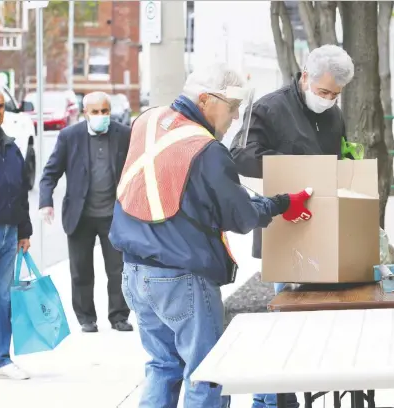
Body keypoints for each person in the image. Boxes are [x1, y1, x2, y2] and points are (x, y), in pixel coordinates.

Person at [108, 63, 314, 408]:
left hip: (133, 271)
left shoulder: (147, 122)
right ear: (205, 100)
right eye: (232, 108)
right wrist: (282, 204)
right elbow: (241, 215)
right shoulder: (205, 148)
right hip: (181, 275)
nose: (235, 118)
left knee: (162, 366)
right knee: (208, 373)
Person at [230, 44, 355, 408]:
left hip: (325, 229)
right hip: (285, 227)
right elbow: (241, 157)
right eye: (324, 92)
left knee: (320, 324)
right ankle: (270, 400)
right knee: (283, 321)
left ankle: (305, 389)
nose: (329, 100)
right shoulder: (269, 108)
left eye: (335, 95)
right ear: (305, 77)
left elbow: (339, 156)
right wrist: (298, 165)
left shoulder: (333, 115)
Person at [39, 91, 132, 333]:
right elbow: (51, 172)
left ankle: (119, 316)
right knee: (80, 270)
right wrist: (45, 201)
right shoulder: (70, 136)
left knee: (118, 270)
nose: (101, 116)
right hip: (80, 215)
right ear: (85, 113)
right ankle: (86, 318)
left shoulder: (123, 134)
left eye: (105, 111)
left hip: (114, 216)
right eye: (96, 112)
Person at [0, 81, 32, 380]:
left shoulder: (11, 146)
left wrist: (24, 231)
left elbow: (21, 191)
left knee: (2, 298)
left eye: (0, 106)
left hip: (7, 234)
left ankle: (0, 359)